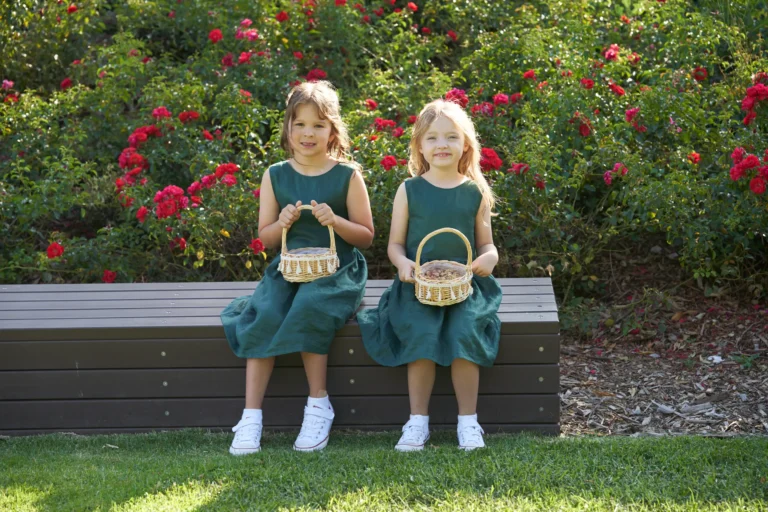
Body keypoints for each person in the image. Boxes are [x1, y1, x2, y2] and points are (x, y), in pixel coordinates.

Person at [221, 80, 374, 454]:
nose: (308, 133)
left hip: (337, 267)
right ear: (288, 127)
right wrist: (283, 222)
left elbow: (367, 236)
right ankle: (251, 416)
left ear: (332, 130)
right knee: (265, 310)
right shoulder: (275, 174)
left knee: (310, 307)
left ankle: (319, 405)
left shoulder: (348, 175)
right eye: (300, 124)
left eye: (318, 125)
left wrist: (335, 221)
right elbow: (266, 239)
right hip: (289, 266)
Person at [357, 98, 502, 451]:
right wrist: (403, 264)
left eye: (451, 137)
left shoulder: (475, 192)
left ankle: (468, 422)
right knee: (421, 332)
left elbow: (487, 245)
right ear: (419, 146)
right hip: (417, 285)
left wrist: (490, 259)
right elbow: (395, 245)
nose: (442, 145)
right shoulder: (409, 190)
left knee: (463, 330)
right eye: (433, 138)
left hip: (466, 286)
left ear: (465, 144)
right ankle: (417, 420)